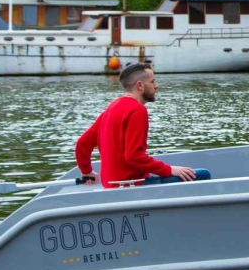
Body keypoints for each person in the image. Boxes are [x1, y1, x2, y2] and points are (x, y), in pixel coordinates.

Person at [74, 62, 211, 187]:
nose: (156, 86)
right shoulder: (137, 110)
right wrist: (170, 170)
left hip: (112, 184)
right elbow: (133, 156)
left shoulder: (112, 107)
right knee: (202, 174)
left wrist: (87, 172)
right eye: (152, 82)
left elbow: (82, 144)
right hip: (131, 186)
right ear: (140, 85)